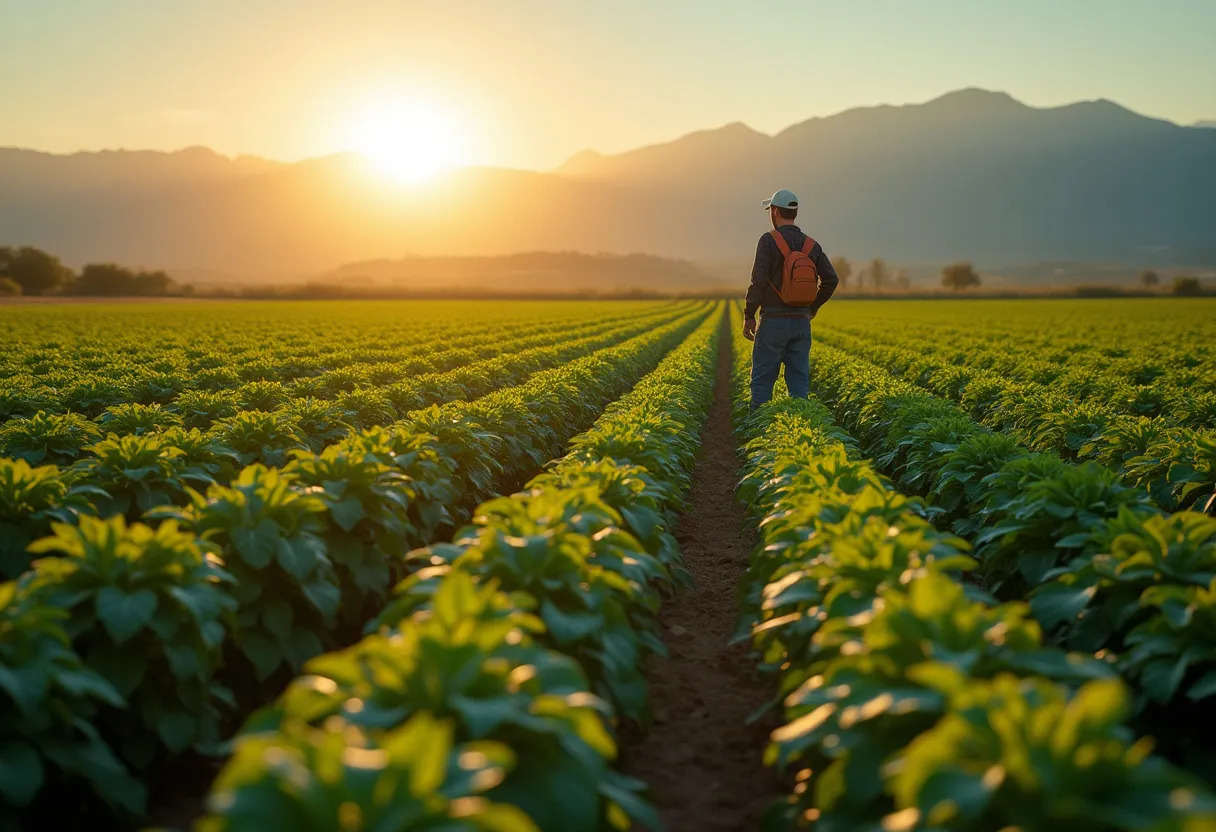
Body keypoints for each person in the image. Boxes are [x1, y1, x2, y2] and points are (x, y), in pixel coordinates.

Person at [743, 188, 839, 410]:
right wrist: (812, 307)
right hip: (801, 323)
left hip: (773, 322)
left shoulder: (768, 241)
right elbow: (831, 280)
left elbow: (758, 281)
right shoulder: (811, 245)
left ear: (775, 211)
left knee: (762, 383)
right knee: (798, 386)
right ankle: (798, 432)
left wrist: (749, 315)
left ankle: (760, 434)